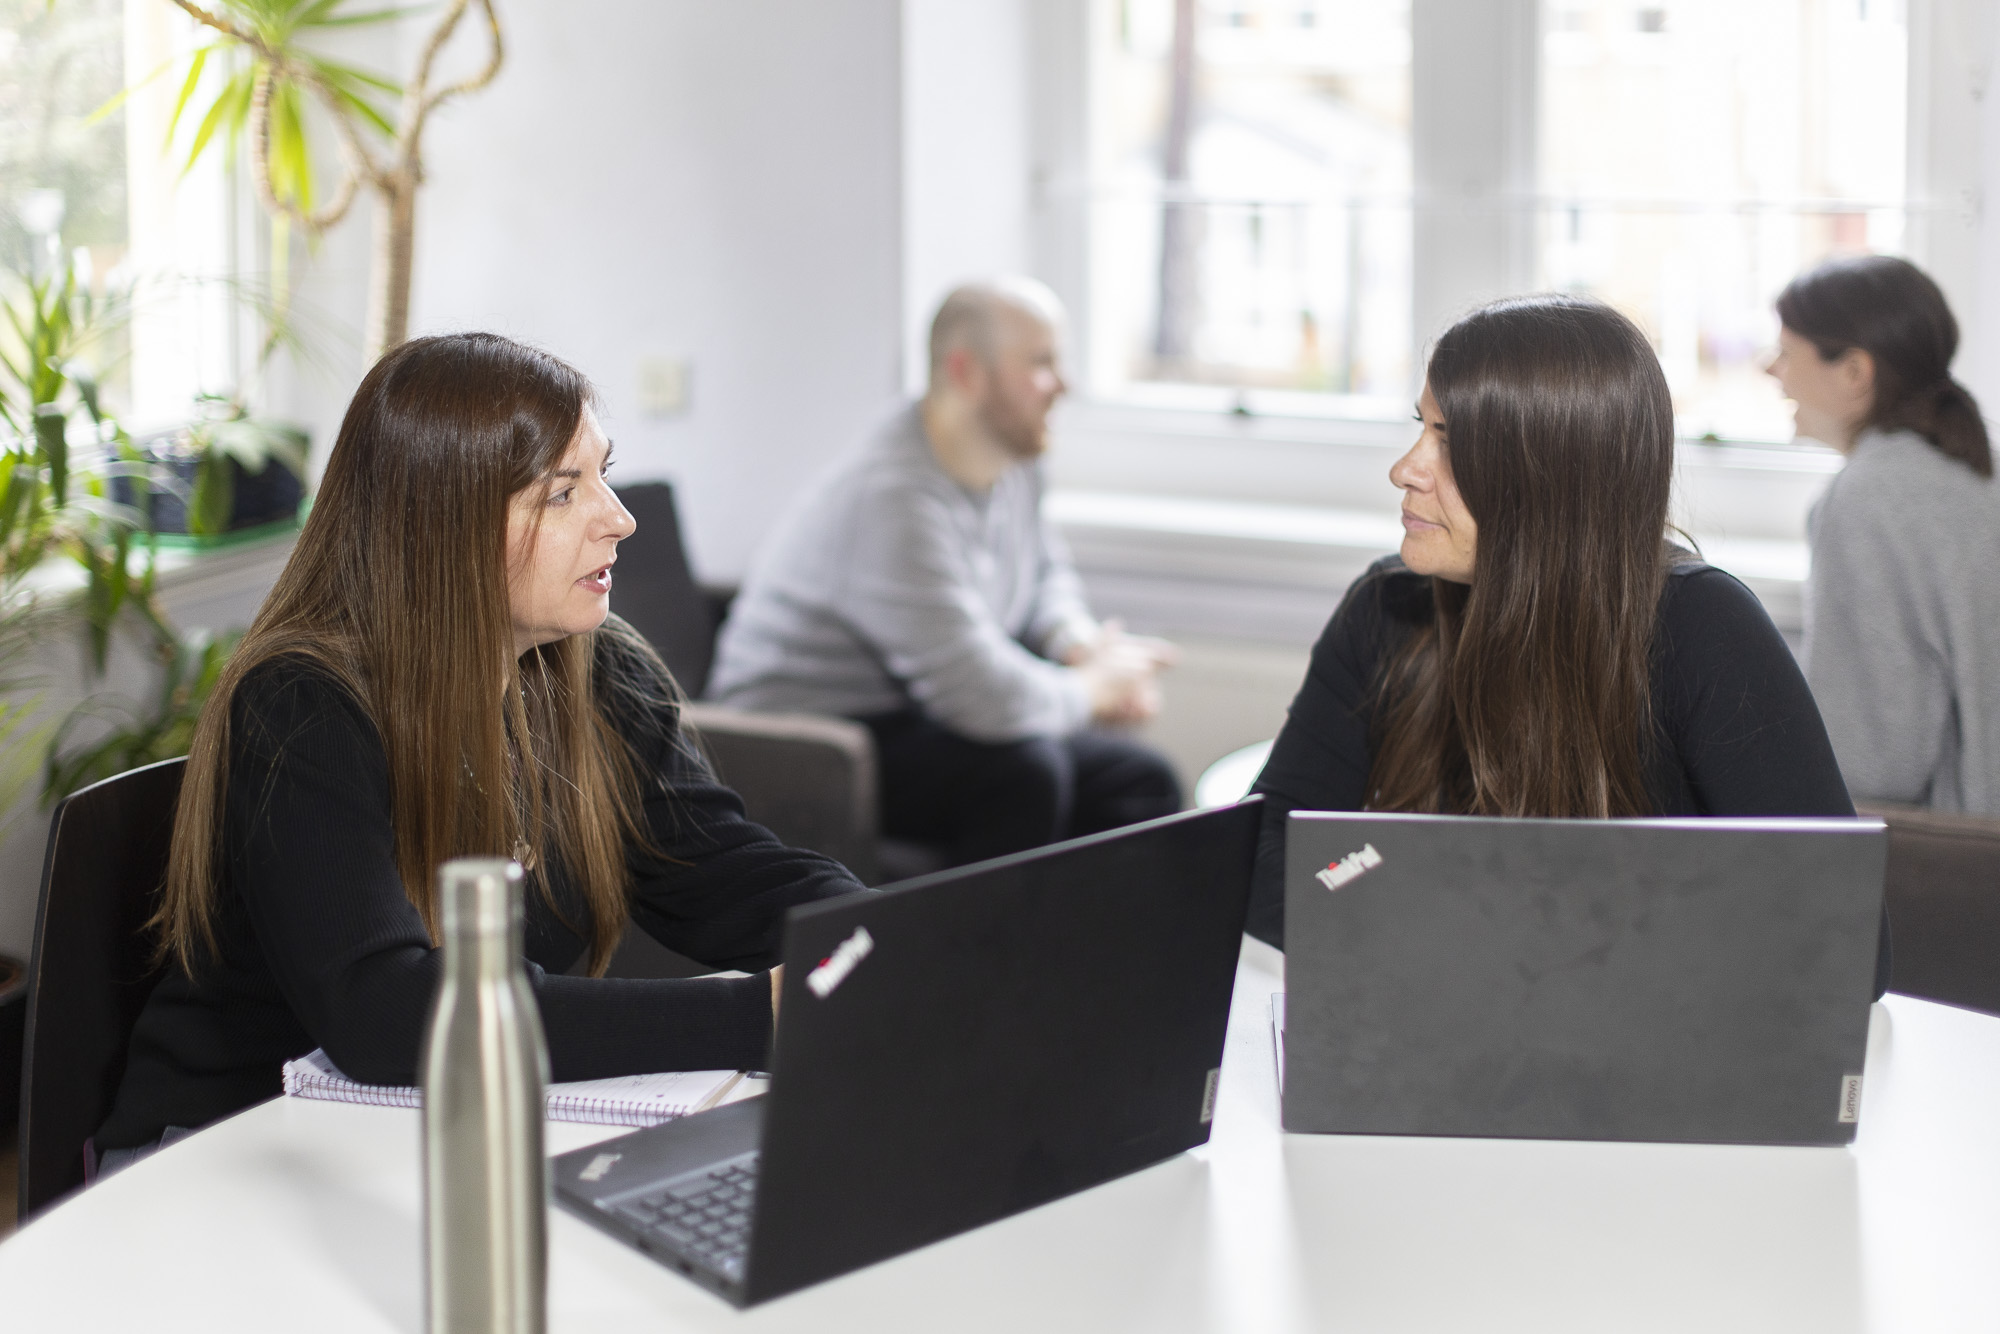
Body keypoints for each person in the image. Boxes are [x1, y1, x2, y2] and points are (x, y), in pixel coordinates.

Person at [96, 333, 865, 1163]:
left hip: (422, 1139)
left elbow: (728, 873)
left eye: (603, 474)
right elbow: (385, 1015)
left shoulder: (594, 671)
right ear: (445, 526)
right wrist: (759, 1017)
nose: (620, 518)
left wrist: (873, 938)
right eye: (563, 494)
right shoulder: (300, 705)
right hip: (223, 1155)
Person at [1247, 295, 1879, 990]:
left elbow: (1846, 939)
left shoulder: (1705, 628)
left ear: (1547, 475)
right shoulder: (1386, 607)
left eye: (1451, 442)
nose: (1406, 469)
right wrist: (1421, 931)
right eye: (1421, 428)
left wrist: (1477, 944)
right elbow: (1268, 852)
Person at [706, 279, 1182, 867]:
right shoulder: (893, 498)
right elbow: (981, 698)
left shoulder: (1015, 455)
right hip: (803, 739)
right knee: (1025, 774)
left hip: (912, 706)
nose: (1064, 385)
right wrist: (1093, 689)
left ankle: (1098, 955)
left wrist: (1078, 645)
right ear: (967, 372)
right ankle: (981, 959)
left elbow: (1042, 574)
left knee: (1140, 779)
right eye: (1041, 363)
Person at [1769, 255, 2000, 815]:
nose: (1770, 369)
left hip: (1949, 867)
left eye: (1785, 352)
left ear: (1854, 372)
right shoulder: (1966, 468)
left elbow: (1871, 763)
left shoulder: (1868, 499)